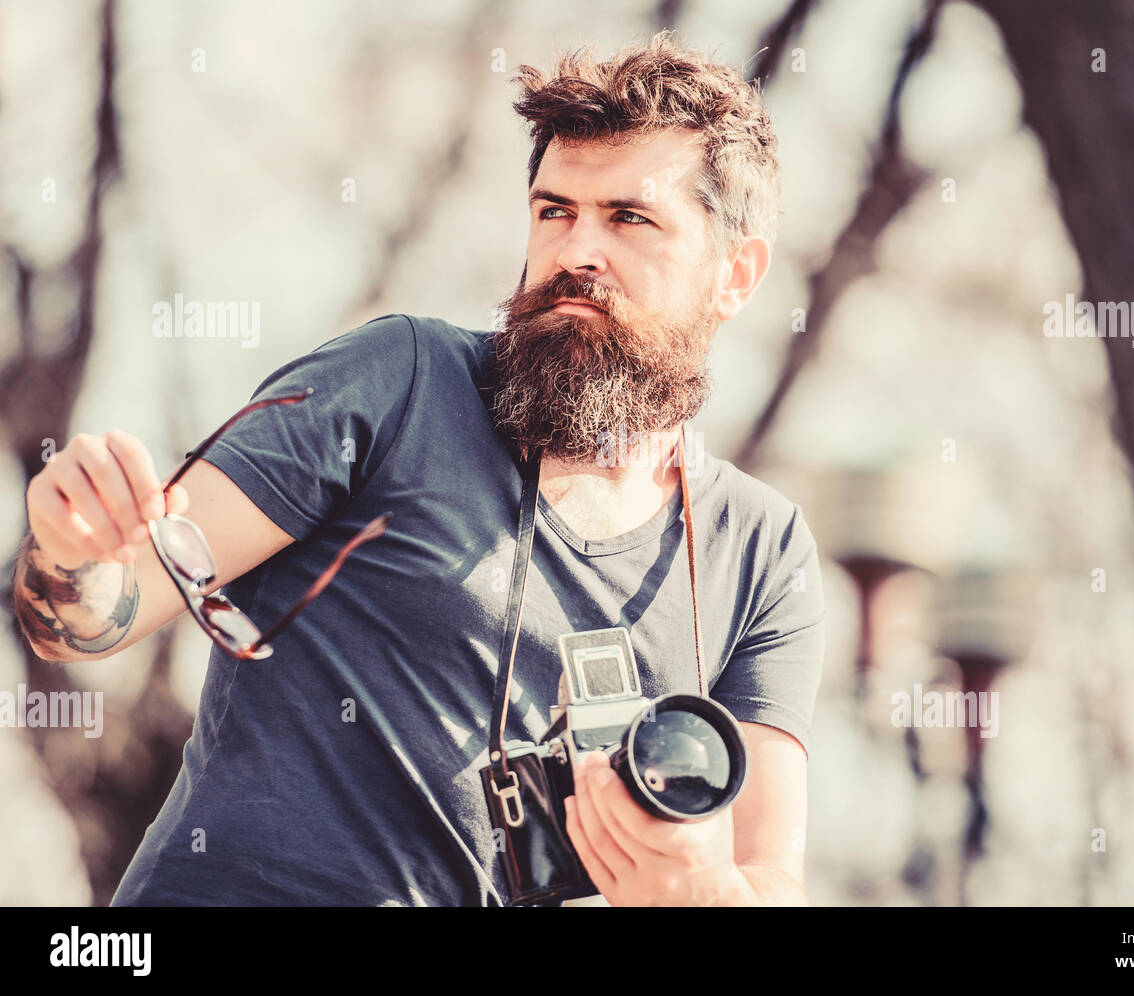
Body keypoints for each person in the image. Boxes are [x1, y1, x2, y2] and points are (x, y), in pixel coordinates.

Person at [12, 30, 826, 906]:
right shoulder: (398, 380)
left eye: (629, 217)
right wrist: (73, 551)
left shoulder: (763, 551)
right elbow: (85, 620)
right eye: (555, 212)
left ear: (736, 273)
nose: (575, 252)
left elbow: (767, 878)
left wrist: (699, 888)